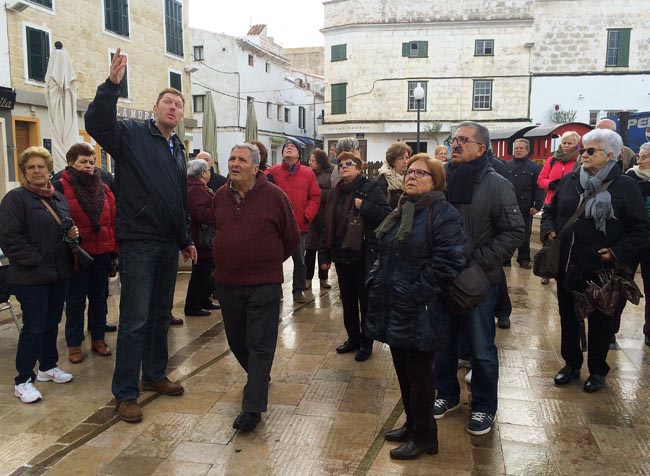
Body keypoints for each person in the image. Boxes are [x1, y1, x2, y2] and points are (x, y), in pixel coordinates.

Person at [85, 48, 196, 423]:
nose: (173, 108)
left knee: (159, 317)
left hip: (168, 243)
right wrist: (112, 86)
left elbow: (178, 200)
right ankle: (125, 393)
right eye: (167, 102)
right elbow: (98, 125)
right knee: (134, 319)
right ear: (155, 108)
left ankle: (154, 375)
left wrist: (186, 238)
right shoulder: (132, 135)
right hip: (139, 242)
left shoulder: (177, 149)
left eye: (178, 105)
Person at [366, 154, 467, 460]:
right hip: (395, 304)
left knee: (421, 375)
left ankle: (425, 437)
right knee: (403, 369)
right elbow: (386, 252)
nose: (411, 176)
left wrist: (415, 293)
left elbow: (450, 261)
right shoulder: (403, 209)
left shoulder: (443, 213)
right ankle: (412, 424)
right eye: (410, 171)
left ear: (435, 181)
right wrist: (375, 279)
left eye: (420, 173)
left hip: (422, 309)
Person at [541, 129, 650, 393]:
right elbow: (550, 211)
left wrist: (616, 252)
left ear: (611, 155)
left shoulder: (625, 186)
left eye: (592, 150)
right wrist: (549, 230)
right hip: (568, 265)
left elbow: (641, 228)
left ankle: (598, 370)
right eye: (583, 150)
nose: (584, 155)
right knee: (568, 318)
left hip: (603, 270)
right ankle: (571, 364)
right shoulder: (569, 181)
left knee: (601, 323)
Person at [434, 122, 524, 436]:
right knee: (442, 344)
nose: (455, 144)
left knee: (482, 348)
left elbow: (514, 231)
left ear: (481, 148)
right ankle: (446, 394)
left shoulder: (497, 184)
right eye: (453, 139)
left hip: (477, 281)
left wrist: (478, 261)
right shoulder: (441, 178)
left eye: (463, 140)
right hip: (442, 276)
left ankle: (484, 407)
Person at [213, 143, 300, 431]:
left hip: (263, 284)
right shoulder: (220, 197)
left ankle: (252, 408)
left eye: (241, 159)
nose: (234, 163)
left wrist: (267, 263)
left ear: (255, 166)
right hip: (227, 283)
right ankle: (259, 377)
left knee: (260, 345)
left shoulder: (274, 197)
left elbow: (291, 238)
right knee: (237, 341)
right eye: (231, 158)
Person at [0, 146, 77, 403]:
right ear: (24, 172)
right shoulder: (15, 199)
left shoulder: (58, 198)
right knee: (33, 326)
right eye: (30, 167)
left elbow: (65, 229)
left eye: (40, 166)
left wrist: (75, 236)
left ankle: (47, 367)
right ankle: (23, 380)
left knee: (52, 322)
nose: (36, 171)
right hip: (30, 276)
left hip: (58, 273)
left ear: (48, 170)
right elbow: (10, 238)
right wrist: (38, 260)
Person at [322, 151, 391, 362]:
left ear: (359, 169)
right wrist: (325, 253)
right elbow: (329, 224)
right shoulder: (336, 191)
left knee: (365, 301)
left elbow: (387, 214)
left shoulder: (369, 189)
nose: (344, 167)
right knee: (348, 300)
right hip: (342, 256)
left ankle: (366, 342)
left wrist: (367, 207)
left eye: (349, 164)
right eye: (341, 164)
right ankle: (353, 338)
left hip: (363, 254)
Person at [52, 143, 117, 364]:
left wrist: (113, 249)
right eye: (82, 162)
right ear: (71, 163)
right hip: (76, 254)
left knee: (100, 298)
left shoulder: (104, 187)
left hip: (102, 252)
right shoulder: (59, 187)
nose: (88, 166)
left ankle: (98, 339)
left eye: (91, 162)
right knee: (76, 300)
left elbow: (112, 219)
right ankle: (74, 344)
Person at [266, 139, 320, 304]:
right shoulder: (272, 172)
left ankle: (298, 291)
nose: (289, 147)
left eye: (293, 147)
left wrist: (306, 216)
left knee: (300, 261)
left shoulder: (308, 173)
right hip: (276, 226)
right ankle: (277, 292)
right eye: (286, 146)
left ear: (299, 154)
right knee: (275, 260)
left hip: (299, 224)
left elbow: (315, 197)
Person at [537, 130, 581, 285]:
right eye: (564, 142)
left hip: (570, 205)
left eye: (570, 143)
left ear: (576, 144)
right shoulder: (552, 160)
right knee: (550, 236)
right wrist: (550, 184)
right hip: (551, 202)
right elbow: (541, 179)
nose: (567, 146)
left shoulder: (578, 161)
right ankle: (548, 268)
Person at [184, 159, 217, 316]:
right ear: (203, 173)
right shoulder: (195, 189)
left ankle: (204, 300)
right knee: (200, 273)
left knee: (206, 273)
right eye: (209, 170)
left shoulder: (199, 187)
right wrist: (216, 214)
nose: (210, 173)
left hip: (204, 237)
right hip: (201, 238)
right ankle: (193, 305)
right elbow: (197, 213)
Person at [505, 139, 544, 270]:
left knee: (524, 234)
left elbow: (539, 188)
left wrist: (538, 205)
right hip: (508, 206)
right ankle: (505, 258)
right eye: (516, 148)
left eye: (521, 148)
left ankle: (524, 259)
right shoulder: (506, 165)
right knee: (506, 232)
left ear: (527, 150)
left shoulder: (534, 167)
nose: (518, 150)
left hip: (525, 207)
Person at [627, 142, 650, 347]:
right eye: (639, 157)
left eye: (645, 157)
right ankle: (610, 331)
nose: (640, 161)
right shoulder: (630, 178)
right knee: (620, 284)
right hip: (630, 240)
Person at [305, 149, 334, 289]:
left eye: (313, 160)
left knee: (324, 249)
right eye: (309, 160)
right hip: (311, 217)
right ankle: (307, 279)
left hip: (325, 215)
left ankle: (324, 278)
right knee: (309, 250)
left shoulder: (331, 174)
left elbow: (332, 193)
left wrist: (317, 192)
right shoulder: (308, 174)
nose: (310, 163)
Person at [376, 142, 411, 209]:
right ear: (392, 161)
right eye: (400, 158)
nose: (405, 161)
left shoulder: (411, 178)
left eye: (407, 158)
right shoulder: (383, 180)